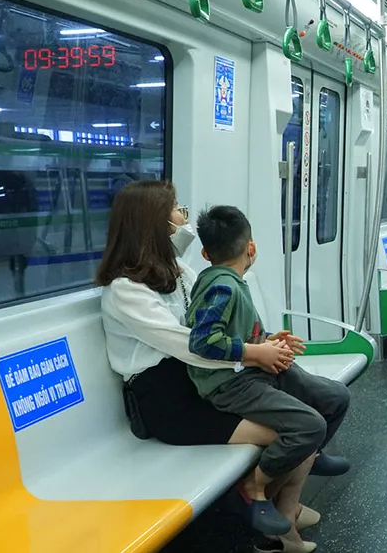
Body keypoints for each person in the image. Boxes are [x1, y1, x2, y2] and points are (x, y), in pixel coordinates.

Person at [97, 181, 342, 553]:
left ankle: (284, 512)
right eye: (177, 210)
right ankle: (270, 529)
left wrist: (263, 342)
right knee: (297, 429)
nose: (183, 217)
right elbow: (189, 344)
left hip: (204, 380)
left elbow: (219, 331)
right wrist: (254, 353)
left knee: (307, 416)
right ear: (155, 224)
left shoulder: (177, 270)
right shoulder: (125, 290)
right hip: (169, 402)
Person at [185, 205, 350, 542]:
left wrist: (268, 341)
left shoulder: (231, 282)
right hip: (231, 383)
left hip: (251, 369)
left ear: (205, 253)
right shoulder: (222, 288)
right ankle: (253, 486)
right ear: (252, 248)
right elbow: (203, 341)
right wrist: (255, 352)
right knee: (310, 425)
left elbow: (237, 333)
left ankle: (311, 453)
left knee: (335, 397)